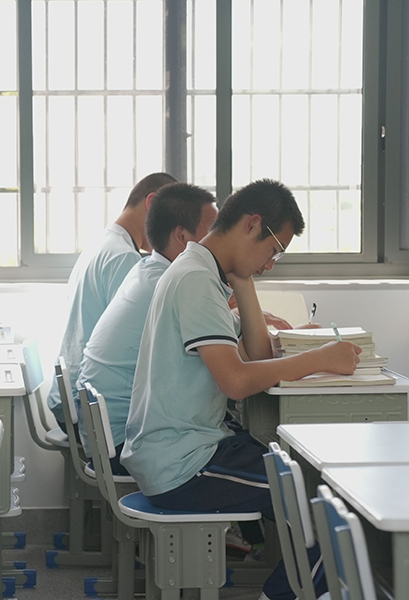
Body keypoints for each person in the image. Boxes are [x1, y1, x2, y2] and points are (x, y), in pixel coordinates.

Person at [120, 179, 362, 600]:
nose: (271, 264)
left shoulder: (205, 273)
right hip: (183, 465)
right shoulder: (195, 279)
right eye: (274, 250)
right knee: (331, 507)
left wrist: (244, 280)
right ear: (252, 225)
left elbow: (257, 353)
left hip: (187, 447)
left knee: (311, 482)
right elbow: (236, 381)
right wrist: (321, 358)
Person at [74, 182, 217, 470]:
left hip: (106, 432)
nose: (218, 240)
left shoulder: (146, 268)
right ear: (182, 236)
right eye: (213, 232)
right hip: (125, 442)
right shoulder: (166, 281)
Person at [46, 172, 178, 431]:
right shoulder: (124, 258)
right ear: (152, 204)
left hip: (72, 399)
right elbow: (141, 343)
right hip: (88, 408)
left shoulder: (103, 243)